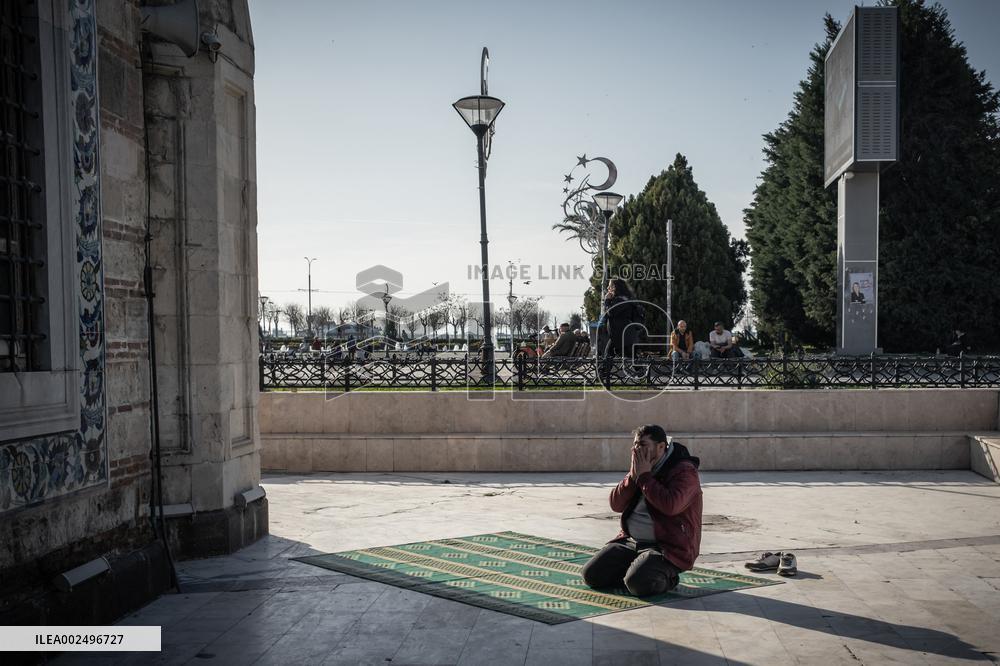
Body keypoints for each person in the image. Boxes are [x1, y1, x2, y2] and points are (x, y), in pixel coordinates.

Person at [581, 424, 703, 597]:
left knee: (639, 584)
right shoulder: (640, 467)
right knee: (592, 576)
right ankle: (637, 569)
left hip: (667, 547)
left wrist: (645, 477)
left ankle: (667, 578)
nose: (637, 450)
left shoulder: (684, 471)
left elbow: (671, 505)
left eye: (643, 445)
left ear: (661, 447)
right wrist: (633, 477)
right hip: (631, 541)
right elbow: (616, 505)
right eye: (635, 445)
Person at [603, 279, 642, 359]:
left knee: (609, 354)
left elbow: (611, 312)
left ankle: (603, 371)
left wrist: (607, 300)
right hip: (620, 334)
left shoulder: (621, 300)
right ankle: (603, 370)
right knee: (631, 356)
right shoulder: (621, 299)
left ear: (616, 287)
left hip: (621, 334)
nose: (608, 288)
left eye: (610, 286)